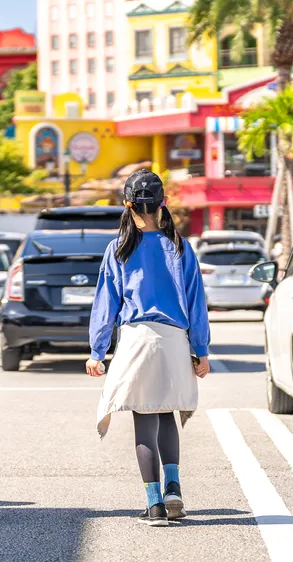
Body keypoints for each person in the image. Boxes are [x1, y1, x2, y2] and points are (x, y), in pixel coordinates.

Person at [87, 170, 211, 526]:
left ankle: (154, 504)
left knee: (144, 418)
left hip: (136, 339)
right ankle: (174, 488)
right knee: (168, 412)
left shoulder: (119, 249)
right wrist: (201, 350)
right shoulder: (180, 247)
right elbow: (196, 301)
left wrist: (97, 352)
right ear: (163, 203)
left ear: (128, 205)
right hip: (175, 340)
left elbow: (105, 303)